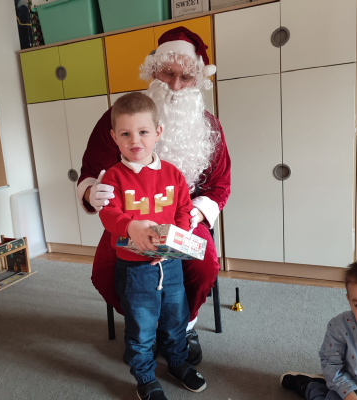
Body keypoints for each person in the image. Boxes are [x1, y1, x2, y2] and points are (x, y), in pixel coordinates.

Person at [77, 26, 231, 366]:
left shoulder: (210, 126)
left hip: (185, 215)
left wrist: (192, 217)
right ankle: (145, 322)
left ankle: (183, 326)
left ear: (197, 80)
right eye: (167, 73)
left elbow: (220, 184)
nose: (175, 85)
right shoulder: (119, 118)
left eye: (185, 77)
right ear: (153, 71)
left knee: (203, 265)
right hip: (128, 216)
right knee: (105, 270)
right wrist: (91, 191)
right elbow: (90, 171)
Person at [100, 92, 207, 399]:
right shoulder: (113, 177)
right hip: (135, 270)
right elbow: (108, 213)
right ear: (114, 137)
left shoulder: (172, 173)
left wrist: (178, 234)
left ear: (158, 133)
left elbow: (184, 209)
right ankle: (145, 377)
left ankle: (177, 362)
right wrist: (130, 226)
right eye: (125, 134)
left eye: (143, 132)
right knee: (141, 328)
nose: (135, 140)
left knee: (176, 318)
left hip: (170, 264)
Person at [280, 261, 357, 400]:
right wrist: (350, 395)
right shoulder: (339, 326)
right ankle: (311, 386)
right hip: (347, 387)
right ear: (349, 300)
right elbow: (331, 364)